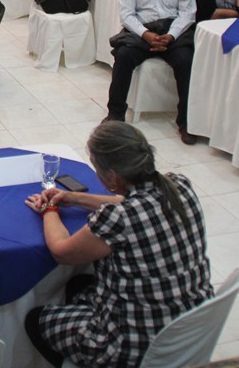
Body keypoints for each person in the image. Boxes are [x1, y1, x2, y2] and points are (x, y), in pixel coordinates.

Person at [23, 121, 212, 368]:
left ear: (112, 176)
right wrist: (77, 198)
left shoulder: (118, 219)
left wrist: (49, 209)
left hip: (135, 345)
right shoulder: (180, 185)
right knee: (80, 284)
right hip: (190, 327)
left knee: (37, 320)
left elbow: (61, 251)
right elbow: (125, 200)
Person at [105, 0, 201, 144]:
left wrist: (170, 36)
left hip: (172, 32)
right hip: (143, 32)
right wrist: (146, 35)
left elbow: (187, 14)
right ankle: (115, 114)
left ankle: (186, 122)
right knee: (123, 55)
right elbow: (127, 16)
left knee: (187, 60)